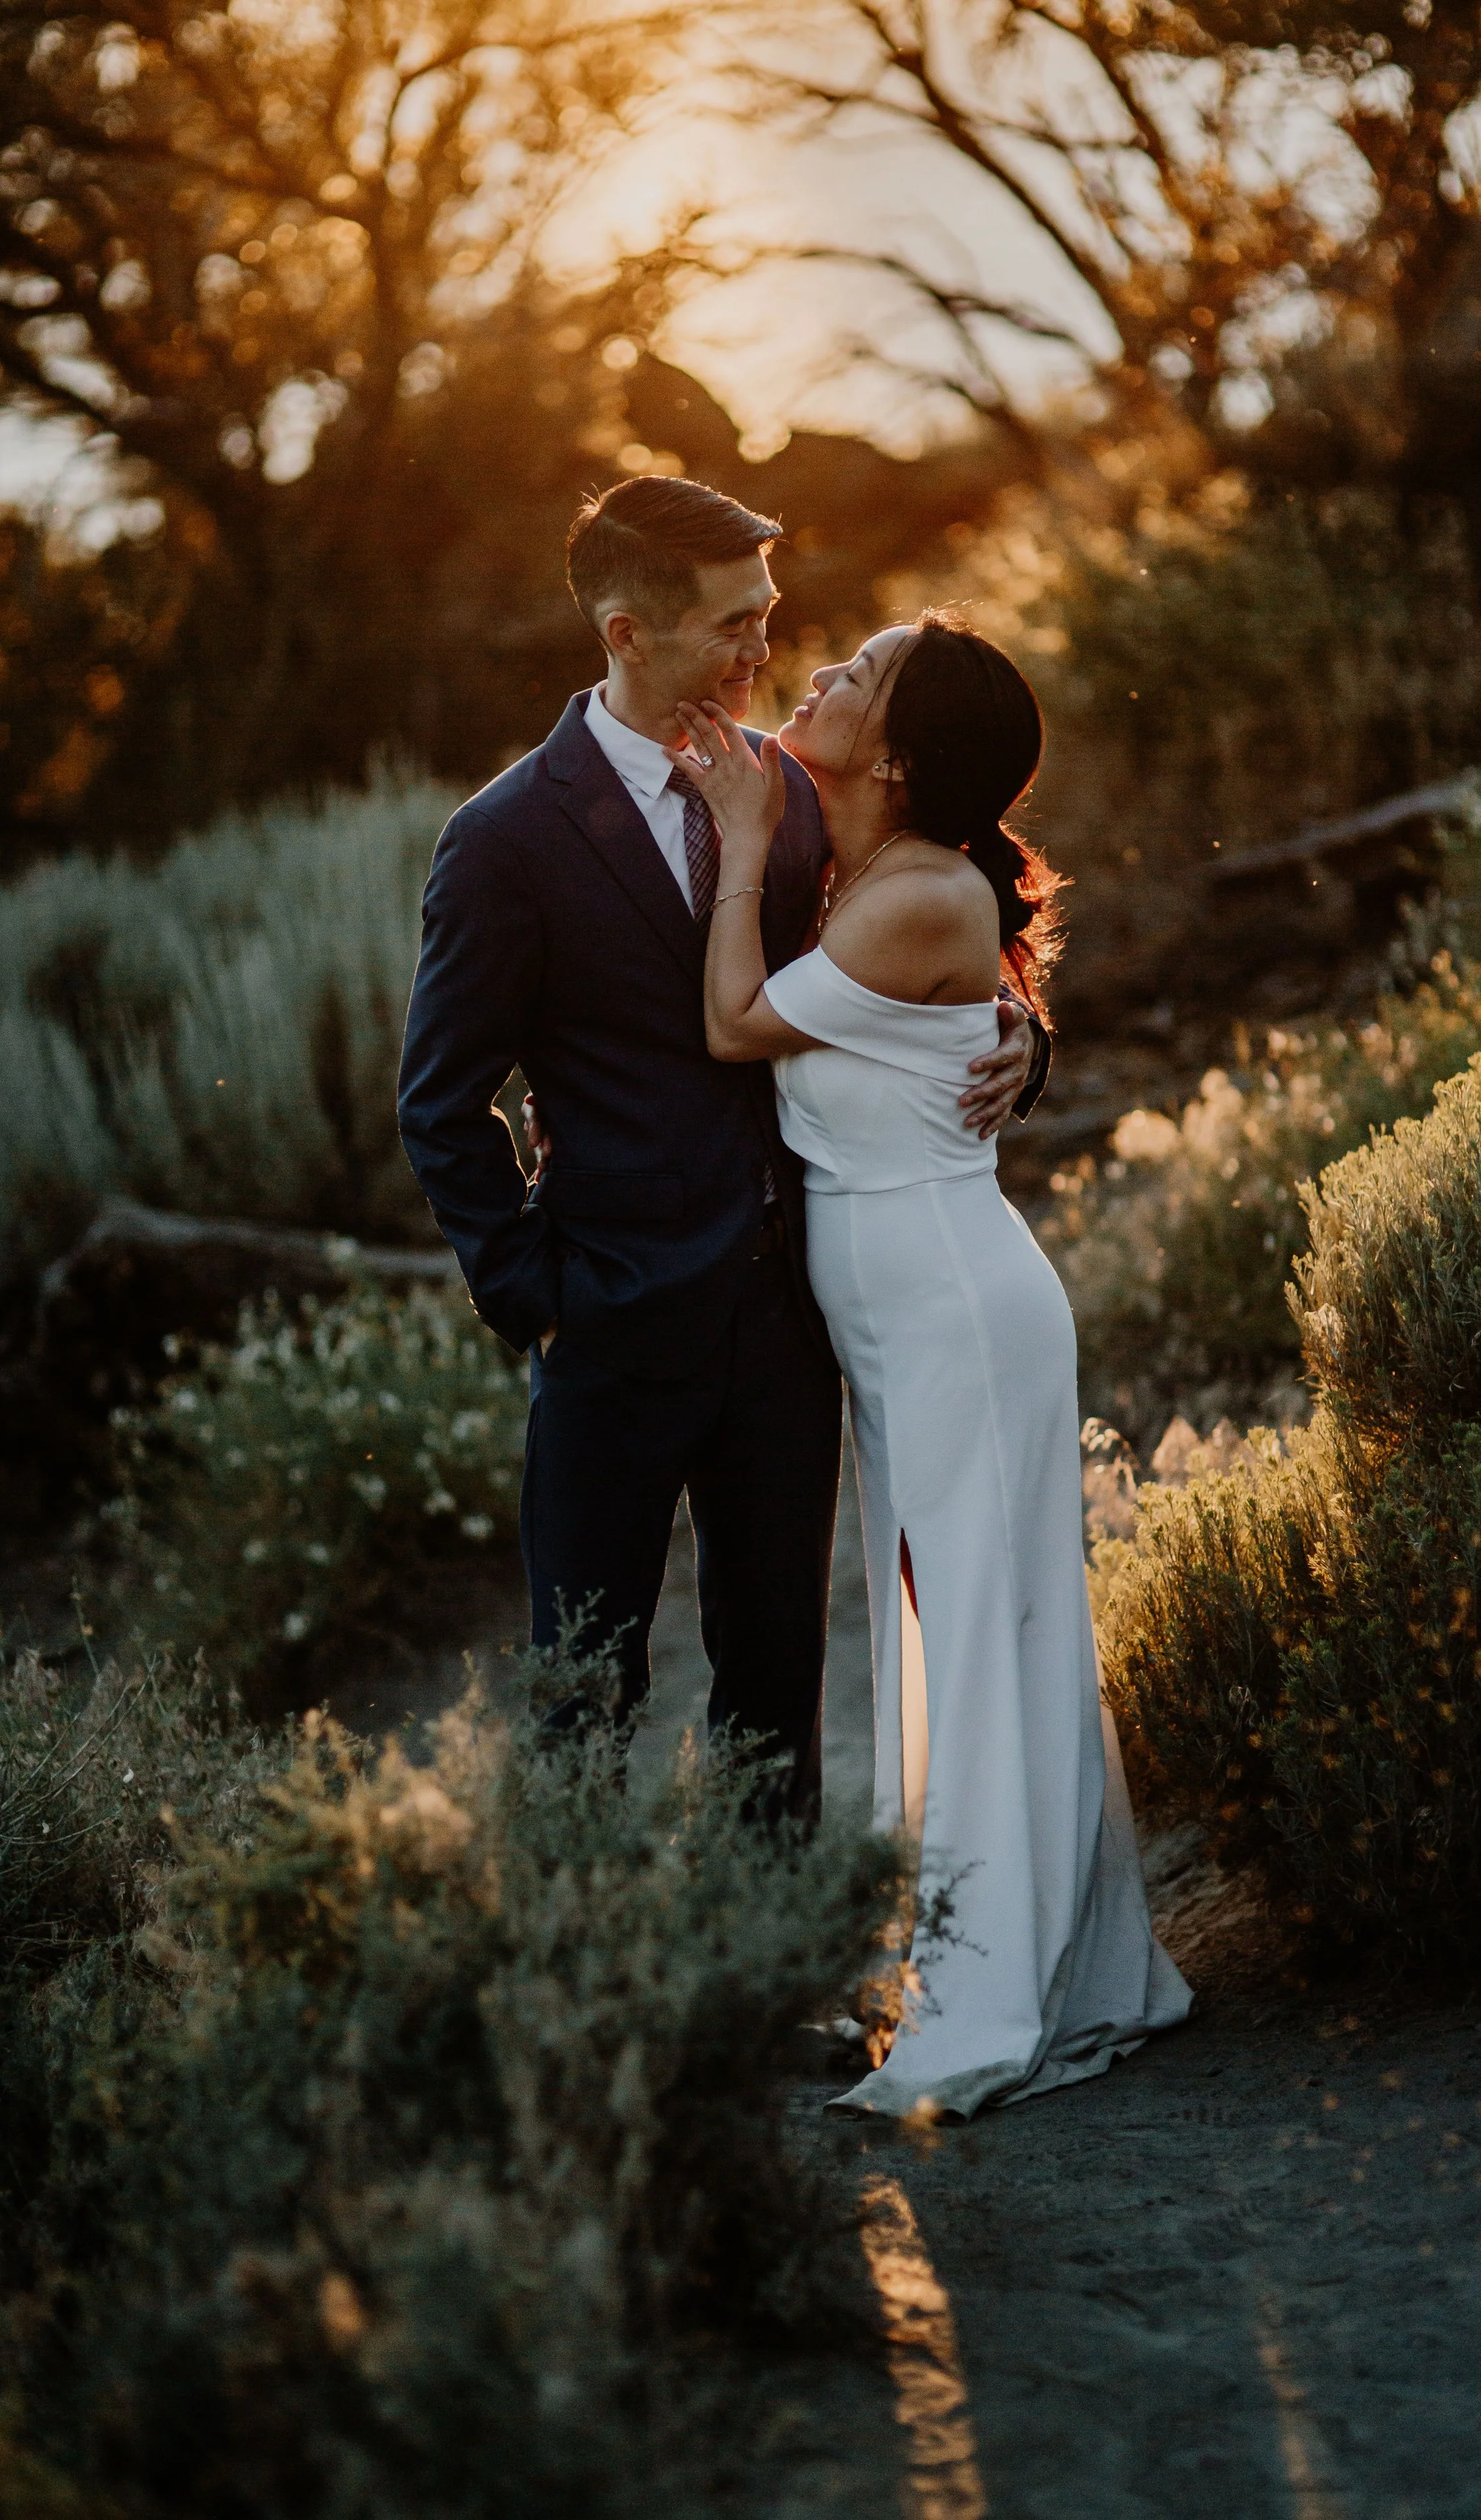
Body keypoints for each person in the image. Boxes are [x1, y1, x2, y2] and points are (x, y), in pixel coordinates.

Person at [396, 480, 1044, 1818]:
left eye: (769, 614)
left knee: (775, 1668)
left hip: (787, 1314)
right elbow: (439, 1101)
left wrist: (1022, 1035)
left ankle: (784, 1986)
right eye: (730, 625)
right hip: (608, 1321)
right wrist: (536, 1302)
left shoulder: (792, 795)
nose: (762, 653)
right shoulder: (502, 840)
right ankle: (588, 1995)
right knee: (586, 1680)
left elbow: (923, 942)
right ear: (627, 632)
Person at [690, 610, 1192, 2116]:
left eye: (855, 674)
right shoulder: (877, 875)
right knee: (963, 1635)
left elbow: (731, 1024)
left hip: (956, 1317)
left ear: (899, 755)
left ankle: (998, 1988)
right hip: (906, 1315)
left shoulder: (912, 895)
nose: (821, 675)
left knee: (981, 1637)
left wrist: (728, 841)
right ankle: (1051, 1960)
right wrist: (1020, 1034)